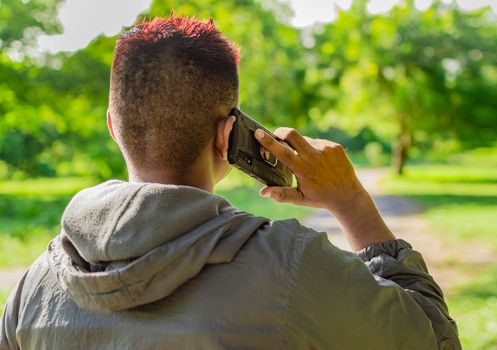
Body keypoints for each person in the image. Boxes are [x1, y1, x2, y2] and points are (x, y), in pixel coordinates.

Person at [0, 17, 461, 349]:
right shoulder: (291, 266)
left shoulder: (35, 285)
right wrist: (352, 202)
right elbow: (431, 338)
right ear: (227, 136)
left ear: (114, 127)